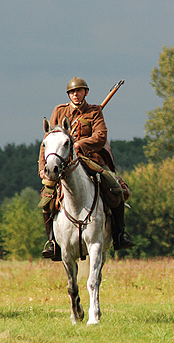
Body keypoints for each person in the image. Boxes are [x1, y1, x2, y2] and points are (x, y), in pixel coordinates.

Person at [38, 77, 134, 261]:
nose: (76, 94)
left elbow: (100, 136)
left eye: (79, 91)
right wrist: (43, 166)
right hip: (63, 163)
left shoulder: (94, 111)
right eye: (73, 92)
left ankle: (120, 235)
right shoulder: (59, 111)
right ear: (69, 94)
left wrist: (79, 144)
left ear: (86, 93)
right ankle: (52, 242)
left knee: (115, 188)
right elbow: (47, 141)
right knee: (46, 196)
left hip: (91, 159)